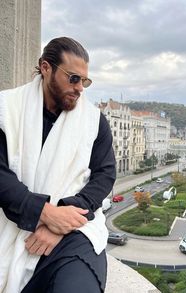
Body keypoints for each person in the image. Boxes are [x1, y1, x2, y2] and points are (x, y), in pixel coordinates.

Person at [0, 37, 116, 293]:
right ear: (45, 68)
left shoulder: (94, 121)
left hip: (74, 231)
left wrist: (63, 219)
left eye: (84, 81)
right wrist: (45, 213)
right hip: (12, 225)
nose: (80, 88)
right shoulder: (6, 109)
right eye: (73, 78)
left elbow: (104, 176)